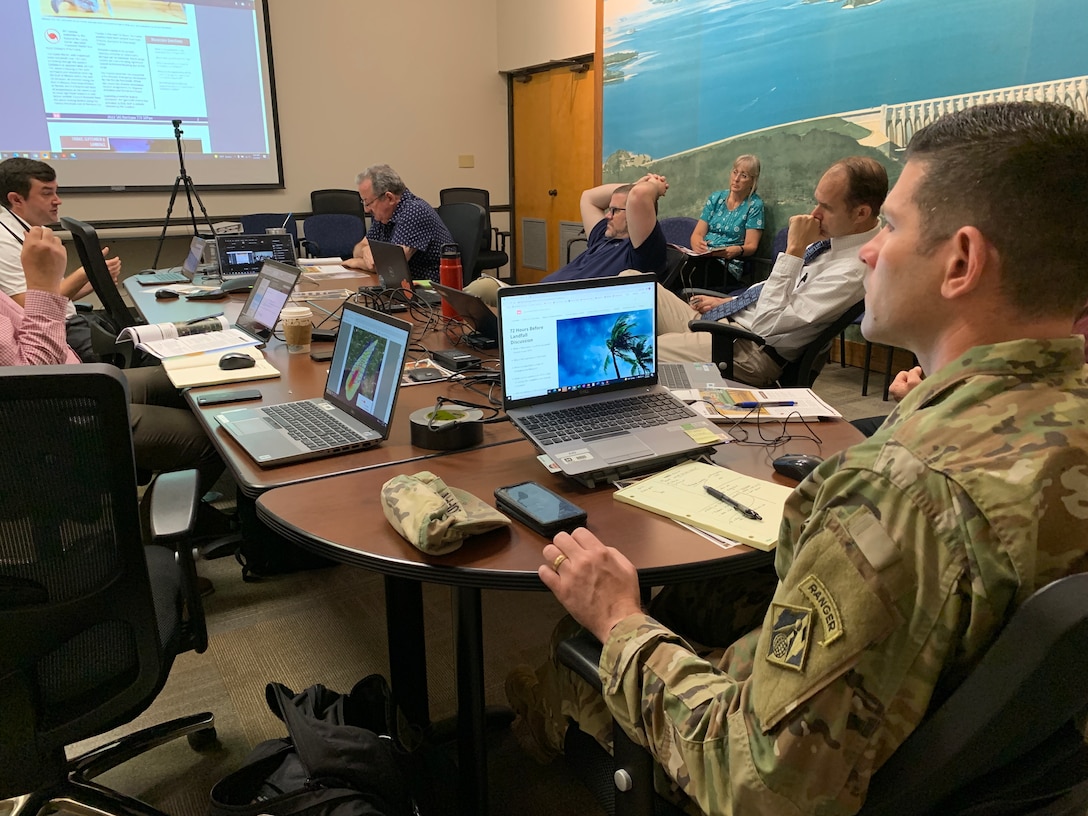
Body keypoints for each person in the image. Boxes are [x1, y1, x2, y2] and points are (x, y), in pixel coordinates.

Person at [507, 101, 1088, 815]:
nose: (871, 250)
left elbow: (760, 786)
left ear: (962, 260)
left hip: (808, 762)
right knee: (700, 591)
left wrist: (620, 620)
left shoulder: (901, 494)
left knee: (590, 624)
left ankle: (531, 729)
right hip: (987, 754)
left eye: (893, 228)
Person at [3, 227, 225, 496]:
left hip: (79, 384)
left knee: (183, 376)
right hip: (57, 413)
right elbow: (35, 387)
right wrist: (44, 289)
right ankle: (156, 532)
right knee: (217, 438)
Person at [653, 157, 886, 386]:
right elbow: (780, 292)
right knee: (638, 287)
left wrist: (794, 250)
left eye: (826, 207)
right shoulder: (835, 239)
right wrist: (731, 301)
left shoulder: (854, 269)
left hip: (749, 350)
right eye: (817, 202)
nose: (814, 213)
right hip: (729, 323)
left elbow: (766, 324)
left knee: (637, 353)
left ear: (861, 214)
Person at [0, 157, 122, 362]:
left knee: (133, 335)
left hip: (63, 324)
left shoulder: (30, 230)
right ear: (17, 199)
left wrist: (91, 281)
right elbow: (31, 308)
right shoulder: (3, 241)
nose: (58, 200)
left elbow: (50, 297)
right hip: (60, 333)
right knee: (147, 354)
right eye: (47, 193)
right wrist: (84, 272)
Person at [541, 174, 669, 282]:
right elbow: (588, 197)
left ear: (632, 214)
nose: (608, 215)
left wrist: (655, 186)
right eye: (609, 209)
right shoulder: (604, 236)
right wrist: (633, 184)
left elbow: (640, 194)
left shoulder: (641, 253)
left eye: (615, 210)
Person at [344, 164, 453, 282]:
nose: (366, 209)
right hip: (402, 286)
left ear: (389, 198)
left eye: (368, 202)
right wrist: (365, 250)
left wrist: (356, 262)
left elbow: (390, 266)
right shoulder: (384, 214)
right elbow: (358, 249)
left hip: (429, 290)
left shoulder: (414, 211)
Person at [688, 155, 765, 282]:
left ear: (752, 181)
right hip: (704, 257)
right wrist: (697, 244)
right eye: (735, 172)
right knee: (677, 263)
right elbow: (697, 234)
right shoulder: (716, 198)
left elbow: (751, 246)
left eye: (744, 176)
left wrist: (738, 250)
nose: (736, 179)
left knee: (690, 272)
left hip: (727, 265)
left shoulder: (754, 205)